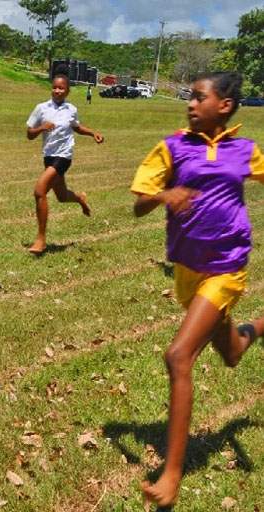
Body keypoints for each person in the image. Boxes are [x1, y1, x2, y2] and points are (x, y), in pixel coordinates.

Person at [131, 71, 264, 507]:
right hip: (187, 270)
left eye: (198, 97)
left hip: (227, 267)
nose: (190, 104)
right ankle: (255, 330)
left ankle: (172, 474)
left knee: (179, 355)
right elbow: (137, 205)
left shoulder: (244, 150)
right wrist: (163, 197)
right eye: (189, 97)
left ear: (223, 106)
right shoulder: (172, 146)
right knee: (230, 353)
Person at [25, 74, 103, 255]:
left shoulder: (71, 109)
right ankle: (80, 198)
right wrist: (41, 128)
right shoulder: (41, 108)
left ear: (67, 91)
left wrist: (93, 133)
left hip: (64, 157)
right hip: (49, 156)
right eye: (55, 87)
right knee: (61, 196)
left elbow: (76, 127)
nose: (57, 91)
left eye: (61, 88)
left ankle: (41, 239)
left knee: (39, 191)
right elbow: (29, 133)